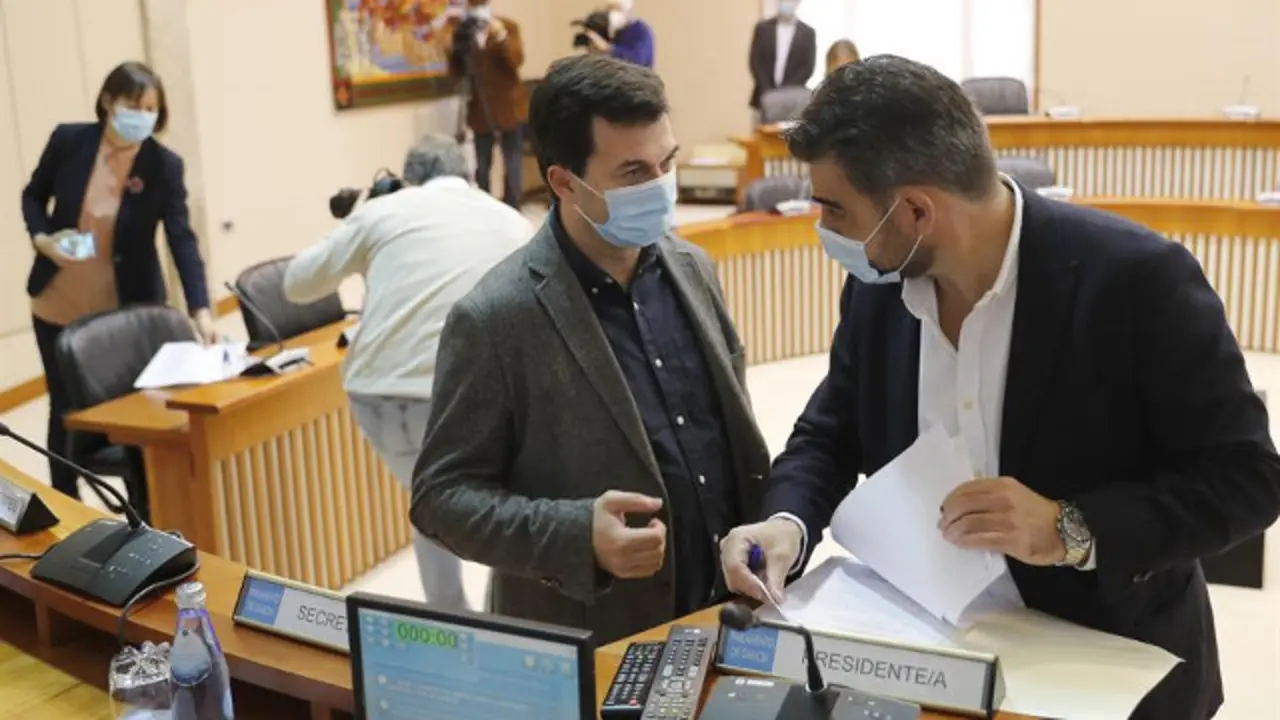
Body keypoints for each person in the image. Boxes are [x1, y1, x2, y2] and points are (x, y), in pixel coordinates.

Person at [718, 56, 1280, 720]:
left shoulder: (1137, 281)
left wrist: (1069, 529)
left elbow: (1248, 481)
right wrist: (787, 523)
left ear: (917, 210)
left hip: (1108, 664)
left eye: (834, 209)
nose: (824, 232)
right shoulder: (877, 285)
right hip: (928, 660)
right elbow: (830, 431)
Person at [412, 54, 770, 644]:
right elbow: (440, 499)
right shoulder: (495, 317)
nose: (659, 188)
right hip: (597, 637)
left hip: (725, 613)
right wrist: (576, 536)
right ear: (563, 182)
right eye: (633, 173)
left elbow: (727, 437)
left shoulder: (693, 268)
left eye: (667, 163)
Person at [283, 134, 532, 609]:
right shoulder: (511, 219)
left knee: (432, 509)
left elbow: (298, 282)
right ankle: (508, 621)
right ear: (469, 175)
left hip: (382, 392)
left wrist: (360, 215)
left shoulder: (384, 211)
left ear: (409, 179)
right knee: (503, 508)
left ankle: (452, 620)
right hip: (477, 394)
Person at [21, 61, 213, 500]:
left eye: (150, 108)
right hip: (59, 302)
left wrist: (200, 308)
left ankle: (145, 510)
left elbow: (181, 238)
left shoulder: (163, 165)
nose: (142, 115)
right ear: (109, 101)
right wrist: (42, 238)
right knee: (64, 410)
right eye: (133, 105)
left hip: (124, 312)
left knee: (137, 414)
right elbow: (32, 195)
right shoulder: (69, 141)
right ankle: (65, 508)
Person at [447, 0, 527, 209]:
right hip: (480, 110)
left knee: (512, 162)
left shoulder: (508, 26)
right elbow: (457, 72)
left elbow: (516, 61)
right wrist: (451, 44)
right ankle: (484, 207)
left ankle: (513, 206)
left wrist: (501, 36)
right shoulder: (463, 32)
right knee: (482, 165)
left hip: (510, 108)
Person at [748, 1, 816, 114]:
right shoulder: (763, 28)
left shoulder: (808, 33)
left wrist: (783, 93)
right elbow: (755, 61)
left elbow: (808, 67)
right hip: (763, 96)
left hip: (794, 100)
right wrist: (768, 90)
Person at [584, 0, 655, 68]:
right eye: (609, 9)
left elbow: (638, 60)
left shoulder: (640, 30)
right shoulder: (613, 34)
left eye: (617, 8)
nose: (611, 13)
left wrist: (608, 48)